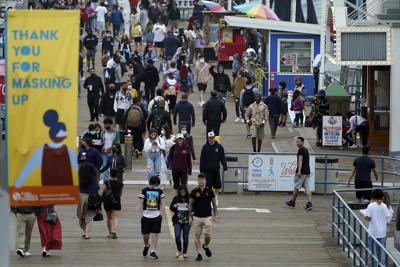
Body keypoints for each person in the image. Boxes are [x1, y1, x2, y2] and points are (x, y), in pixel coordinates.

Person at [189, 173, 217, 262]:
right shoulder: (194, 192)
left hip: (207, 216)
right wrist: (189, 216)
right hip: (196, 216)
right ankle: (199, 254)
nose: (201, 181)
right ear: (197, 181)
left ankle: (205, 246)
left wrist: (215, 215)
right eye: (199, 179)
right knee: (197, 235)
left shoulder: (210, 191)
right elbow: (190, 205)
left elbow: (214, 204)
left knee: (208, 235)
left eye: (202, 179)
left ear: (205, 180)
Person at [360, 189, 393, 267]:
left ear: (373, 196)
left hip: (373, 232)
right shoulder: (384, 205)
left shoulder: (371, 206)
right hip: (382, 231)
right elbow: (388, 217)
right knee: (381, 249)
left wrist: (362, 214)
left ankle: (374, 265)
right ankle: (382, 264)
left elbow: (368, 218)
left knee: (372, 251)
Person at [139, 175, 165, 259]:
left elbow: (162, 203)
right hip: (146, 216)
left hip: (156, 216)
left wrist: (161, 214)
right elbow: (140, 203)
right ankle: (147, 245)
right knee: (146, 235)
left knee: (155, 234)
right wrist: (142, 215)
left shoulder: (160, 192)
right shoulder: (144, 191)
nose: (156, 186)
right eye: (155, 184)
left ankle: (153, 251)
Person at [285, 137, 313, 210]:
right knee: (307, 187)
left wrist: (299, 171)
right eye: (296, 142)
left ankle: (292, 202)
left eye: (298, 142)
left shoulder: (301, 150)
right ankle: (309, 203)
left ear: (303, 142)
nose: (297, 143)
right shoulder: (306, 149)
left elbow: (300, 161)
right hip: (307, 171)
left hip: (302, 171)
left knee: (296, 187)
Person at [200, 132, 227, 197]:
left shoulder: (219, 147)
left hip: (216, 170)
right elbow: (202, 159)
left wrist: (225, 168)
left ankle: (216, 196)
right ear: (208, 138)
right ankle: (208, 197)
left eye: (212, 138)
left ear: (214, 138)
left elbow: (222, 158)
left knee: (217, 185)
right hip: (207, 171)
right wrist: (201, 171)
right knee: (207, 186)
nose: (211, 139)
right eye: (210, 138)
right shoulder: (205, 147)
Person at [77, 163, 100, 239]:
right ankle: (87, 234)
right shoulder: (93, 178)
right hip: (91, 198)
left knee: (81, 217)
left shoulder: (79, 178)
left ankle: (84, 232)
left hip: (81, 198)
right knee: (89, 217)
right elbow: (97, 188)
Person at [170, 186, 191, 259]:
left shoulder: (189, 198)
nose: (182, 193)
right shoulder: (176, 198)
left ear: (186, 192)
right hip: (177, 220)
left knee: (185, 236)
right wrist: (175, 206)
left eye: (184, 192)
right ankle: (179, 250)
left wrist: (189, 207)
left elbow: (194, 207)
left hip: (187, 220)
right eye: (181, 192)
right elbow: (171, 207)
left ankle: (185, 252)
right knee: (177, 236)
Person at [104, 168, 124, 239]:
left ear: (110, 174)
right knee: (115, 217)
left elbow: (104, 191)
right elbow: (120, 194)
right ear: (117, 174)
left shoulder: (106, 182)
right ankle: (114, 230)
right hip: (116, 201)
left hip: (107, 201)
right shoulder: (120, 183)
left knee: (109, 218)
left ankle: (110, 232)